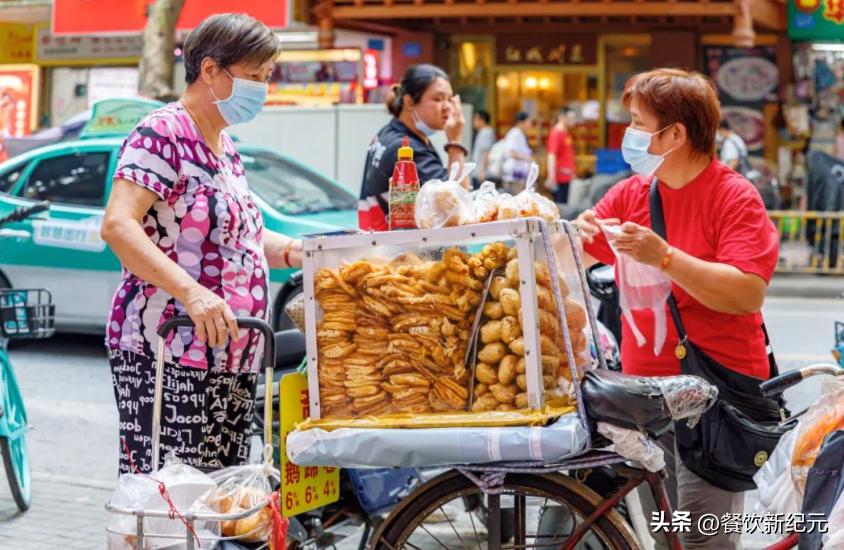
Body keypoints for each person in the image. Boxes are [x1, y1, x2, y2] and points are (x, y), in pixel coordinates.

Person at [574, 68, 779, 550]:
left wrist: (664, 257)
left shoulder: (733, 197)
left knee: (702, 539)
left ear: (675, 134)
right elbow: (580, 253)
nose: (628, 135)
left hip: (714, 398)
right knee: (667, 536)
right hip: (645, 399)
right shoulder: (632, 194)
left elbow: (747, 291)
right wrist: (573, 235)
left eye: (636, 123)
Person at [101, 13, 305, 474]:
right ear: (210, 70)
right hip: (168, 349)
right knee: (173, 497)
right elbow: (119, 225)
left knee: (221, 493)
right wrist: (192, 293)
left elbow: (240, 235)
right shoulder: (162, 134)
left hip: (231, 351)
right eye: (254, 76)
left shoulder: (224, 147)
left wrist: (297, 251)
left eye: (266, 77)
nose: (262, 89)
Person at [358, 64, 466, 231]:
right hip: (407, 252)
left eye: (449, 99)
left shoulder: (387, 133)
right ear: (409, 102)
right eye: (438, 99)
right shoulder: (407, 149)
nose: (447, 107)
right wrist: (455, 143)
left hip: (384, 244)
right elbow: (455, 207)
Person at [545, 106, 577, 204]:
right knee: (560, 205)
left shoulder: (566, 132)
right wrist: (551, 177)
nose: (573, 121)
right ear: (562, 117)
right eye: (571, 118)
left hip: (567, 176)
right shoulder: (556, 133)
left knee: (565, 204)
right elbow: (551, 155)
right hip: (560, 178)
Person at [501, 111, 533, 193]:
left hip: (518, 175)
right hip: (514, 176)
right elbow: (511, 152)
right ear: (521, 122)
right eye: (529, 121)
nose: (530, 124)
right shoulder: (515, 133)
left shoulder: (519, 133)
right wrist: (527, 158)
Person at [471, 109, 495, 188]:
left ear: (482, 120)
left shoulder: (486, 132)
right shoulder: (482, 131)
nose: (474, 121)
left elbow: (486, 152)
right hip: (478, 171)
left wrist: (483, 172)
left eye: (475, 118)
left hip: (481, 173)